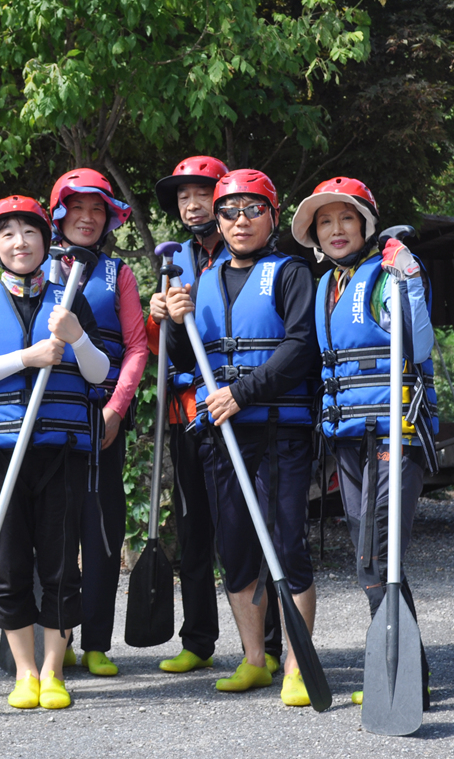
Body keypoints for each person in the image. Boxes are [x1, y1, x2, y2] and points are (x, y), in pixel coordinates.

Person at [163, 169, 320, 706]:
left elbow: (300, 346)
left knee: (287, 543)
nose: (240, 220)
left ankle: (296, 663)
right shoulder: (202, 280)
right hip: (223, 433)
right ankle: (255, 659)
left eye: (253, 210)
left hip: (278, 430)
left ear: (272, 216)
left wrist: (242, 392)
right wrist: (173, 323)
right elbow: (187, 358)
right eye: (229, 212)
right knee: (233, 548)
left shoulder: (291, 273)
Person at [0, 194, 110, 710]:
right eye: (7, 234)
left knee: (62, 564)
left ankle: (52, 671)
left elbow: (98, 373)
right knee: (11, 563)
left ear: (46, 242)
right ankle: (24, 672)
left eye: (29, 233)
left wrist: (77, 337)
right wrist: (29, 356)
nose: (19, 242)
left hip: (60, 450)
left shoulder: (71, 300)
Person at [289, 176, 437, 708]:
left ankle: (405, 678)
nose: (335, 229)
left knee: (376, 556)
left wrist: (409, 280)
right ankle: (408, 675)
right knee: (371, 557)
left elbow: (420, 345)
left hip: (394, 432)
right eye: (325, 222)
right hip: (350, 439)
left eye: (346, 218)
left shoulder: (389, 273)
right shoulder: (329, 285)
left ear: (366, 224)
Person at [45, 169, 147, 677]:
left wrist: (116, 409)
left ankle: (97, 642)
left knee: (102, 530)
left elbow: (137, 347)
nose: (87, 218)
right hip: (48, 418)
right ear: (59, 214)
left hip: (101, 417)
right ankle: (56, 637)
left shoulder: (117, 273)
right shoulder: (34, 265)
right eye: (78, 208)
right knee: (53, 531)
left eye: (97, 210)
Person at [145, 156, 228, 675]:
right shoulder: (175, 259)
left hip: (236, 410)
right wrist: (159, 319)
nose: (192, 204)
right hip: (187, 414)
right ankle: (198, 640)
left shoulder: (248, 254)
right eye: (183, 197)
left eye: (201, 193)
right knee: (193, 532)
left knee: (245, 530)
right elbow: (165, 351)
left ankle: (267, 644)